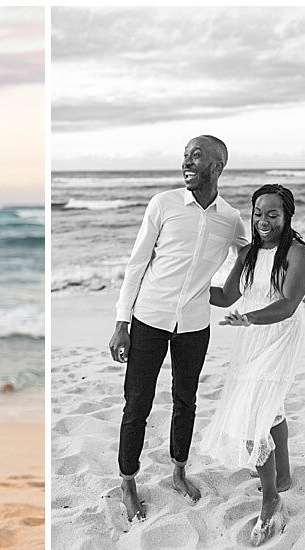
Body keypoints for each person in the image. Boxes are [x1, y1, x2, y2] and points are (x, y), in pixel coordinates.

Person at [108, 135, 250, 521]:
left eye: (196, 156)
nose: (186, 162)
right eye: (185, 155)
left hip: (194, 324)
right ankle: (127, 481)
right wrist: (122, 323)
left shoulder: (230, 218)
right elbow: (137, 263)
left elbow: (253, 253)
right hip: (148, 319)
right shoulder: (164, 204)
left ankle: (179, 471)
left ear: (217, 167)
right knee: (138, 402)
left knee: (186, 400)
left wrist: (285, 279)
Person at [200, 184, 305, 546]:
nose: (263, 221)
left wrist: (247, 319)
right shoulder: (248, 252)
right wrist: (184, 287)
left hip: (277, 337)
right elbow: (226, 296)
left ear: (287, 216)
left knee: (255, 416)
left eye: (272, 214)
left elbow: (287, 305)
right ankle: (282, 476)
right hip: (251, 339)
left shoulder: (298, 254)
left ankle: (270, 498)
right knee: (271, 407)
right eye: (258, 213)